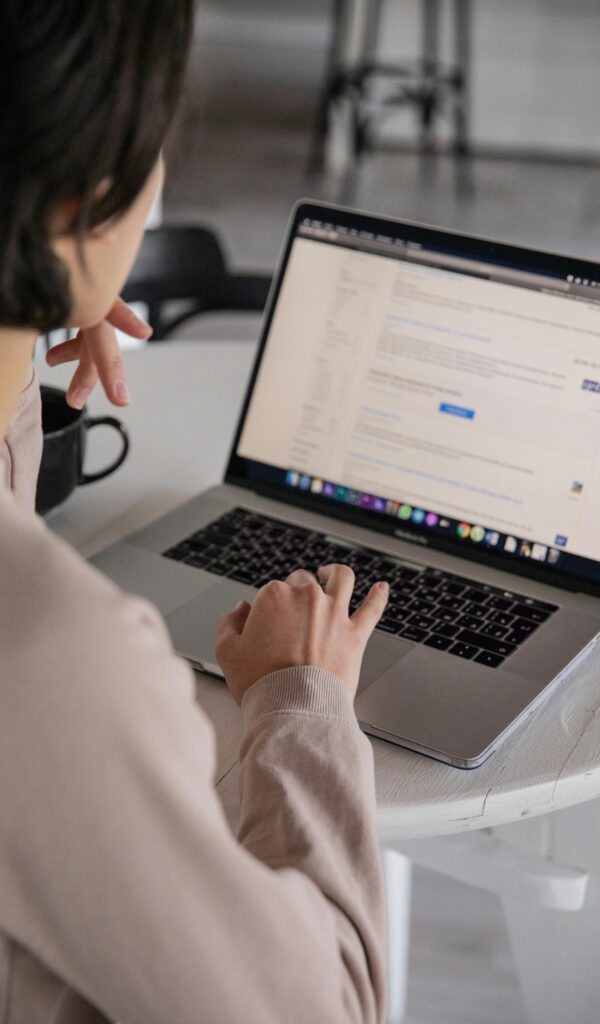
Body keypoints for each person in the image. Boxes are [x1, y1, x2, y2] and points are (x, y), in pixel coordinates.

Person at [0, 3, 390, 1022]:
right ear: (83, 204)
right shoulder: (53, 659)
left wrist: (40, 294)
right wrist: (302, 703)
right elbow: (327, 1009)